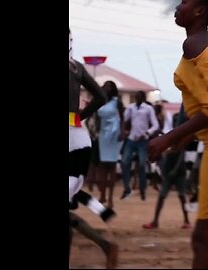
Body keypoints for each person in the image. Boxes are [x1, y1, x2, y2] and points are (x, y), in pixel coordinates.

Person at [147, 1, 208, 268]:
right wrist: (185, 137)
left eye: (185, 2)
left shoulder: (195, 44)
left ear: (200, 10)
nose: (177, 6)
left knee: (205, 241)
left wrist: (169, 137)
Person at [68, 28, 116, 266]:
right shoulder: (76, 67)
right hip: (79, 138)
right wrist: (79, 117)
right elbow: (100, 97)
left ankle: (105, 244)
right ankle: (105, 245)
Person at [143, 113, 191, 230]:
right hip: (170, 171)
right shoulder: (171, 135)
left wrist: (173, 170)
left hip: (179, 172)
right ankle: (155, 221)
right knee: (163, 195)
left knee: (181, 196)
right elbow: (166, 155)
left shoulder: (179, 136)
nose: (175, 122)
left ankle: (186, 220)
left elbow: (181, 156)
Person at [120, 91, 159, 201]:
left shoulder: (148, 108)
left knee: (142, 165)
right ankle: (126, 188)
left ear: (143, 98)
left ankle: (142, 189)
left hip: (143, 140)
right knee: (124, 162)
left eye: (139, 96)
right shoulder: (131, 107)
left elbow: (155, 125)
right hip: (131, 138)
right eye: (136, 96)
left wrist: (147, 133)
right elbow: (124, 119)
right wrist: (124, 131)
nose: (137, 98)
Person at [96, 81, 124, 209]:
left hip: (114, 132)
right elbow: (96, 116)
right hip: (102, 133)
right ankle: (102, 195)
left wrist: (123, 131)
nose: (107, 87)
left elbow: (123, 118)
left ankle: (111, 197)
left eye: (110, 86)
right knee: (102, 165)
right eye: (105, 85)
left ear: (113, 89)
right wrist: (96, 130)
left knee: (111, 164)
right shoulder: (99, 99)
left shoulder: (117, 102)